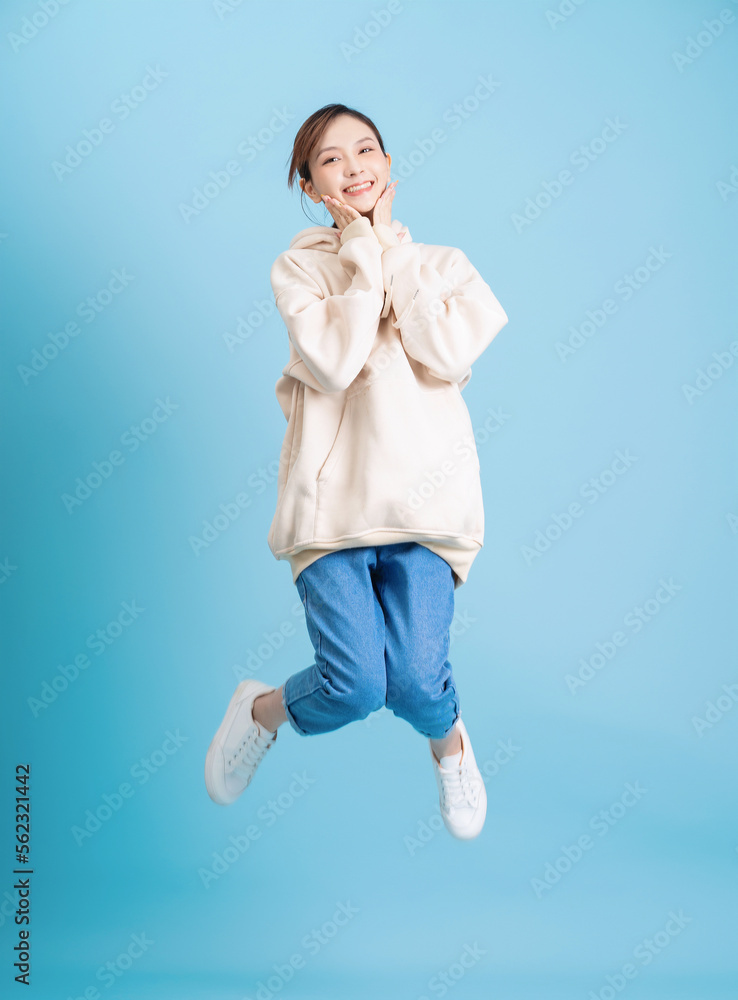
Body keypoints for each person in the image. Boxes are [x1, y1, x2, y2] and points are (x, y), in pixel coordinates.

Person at [205, 103, 508, 840]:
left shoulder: (443, 265)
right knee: (354, 686)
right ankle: (260, 711)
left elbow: (445, 355)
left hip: (428, 513)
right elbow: (336, 361)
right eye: (332, 159)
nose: (354, 166)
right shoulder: (300, 268)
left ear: (391, 166)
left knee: (415, 683)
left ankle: (451, 744)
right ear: (311, 186)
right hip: (330, 515)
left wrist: (390, 252)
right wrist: (362, 251)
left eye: (366, 149)